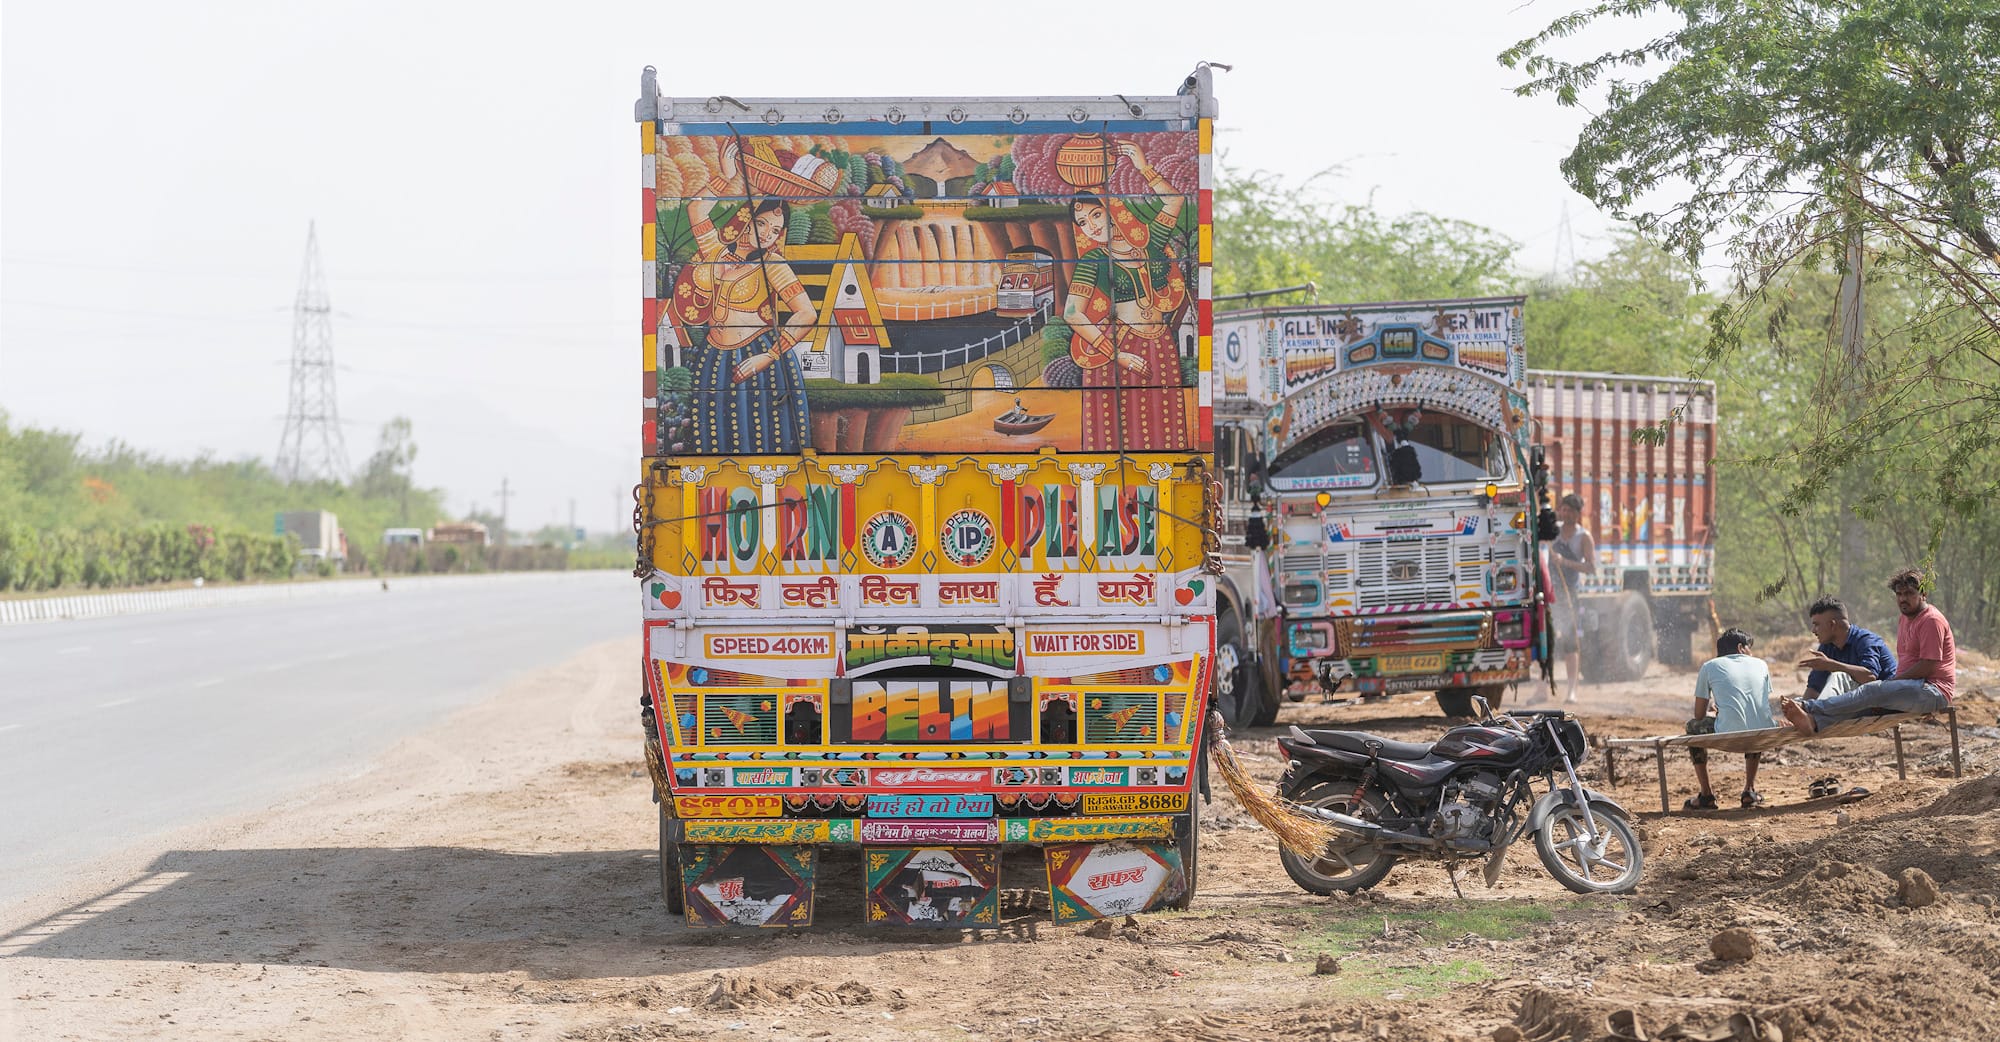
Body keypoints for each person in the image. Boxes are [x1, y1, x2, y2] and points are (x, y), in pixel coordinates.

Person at [669, 139, 818, 454]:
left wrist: (768, 357)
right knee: (715, 439)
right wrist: (726, 174)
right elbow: (696, 208)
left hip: (760, 359)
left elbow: (806, 313)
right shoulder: (715, 251)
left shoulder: (773, 265)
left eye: (775, 230)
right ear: (744, 219)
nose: (766, 233)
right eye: (761, 222)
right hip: (714, 360)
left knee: (764, 437)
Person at [1063, 139, 1190, 453]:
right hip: (1120, 349)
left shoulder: (1148, 242)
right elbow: (1072, 313)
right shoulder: (1093, 261)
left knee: (1162, 426)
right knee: (1120, 431)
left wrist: (1143, 167)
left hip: (1160, 344)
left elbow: (1175, 201)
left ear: (1112, 210)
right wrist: (1115, 353)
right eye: (1081, 222)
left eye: (1095, 215)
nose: (1089, 226)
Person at [1780, 569, 1954, 735]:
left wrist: (1890, 684)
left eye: (1909, 594)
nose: (1903, 599)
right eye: (1899, 594)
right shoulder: (1904, 619)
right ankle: (1812, 721)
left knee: (1870, 691)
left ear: (1923, 594)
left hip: (1932, 690)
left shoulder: (1931, 620)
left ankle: (1808, 707)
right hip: (1907, 690)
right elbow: (1814, 685)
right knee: (1860, 704)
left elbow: (1927, 667)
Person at [1683, 628, 1777, 810]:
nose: (1752, 653)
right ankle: (1749, 790)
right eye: (1750, 648)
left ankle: (1706, 794)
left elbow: (1699, 715)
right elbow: (1756, 704)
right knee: (1754, 720)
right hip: (1761, 733)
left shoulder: (1709, 666)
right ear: (1741, 648)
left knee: (1692, 726)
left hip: (1729, 733)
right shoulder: (1761, 664)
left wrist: (1716, 712)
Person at [1543, 493, 1596, 704]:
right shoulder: (1551, 531)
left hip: (1569, 593)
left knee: (1569, 641)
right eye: (1563, 509)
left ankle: (1572, 690)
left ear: (1577, 513)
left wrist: (1564, 561)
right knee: (1545, 639)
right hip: (1548, 592)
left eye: (1570, 510)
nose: (1565, 513)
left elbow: (1590, 567)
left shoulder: (1583, 537)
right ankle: (1542, 688)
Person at [1796, 595, 1897, 699]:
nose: (1813, 630)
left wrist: (1832, 665)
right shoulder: (1827, 646)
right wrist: (1802, 707)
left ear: (1832, 625)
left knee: (1838, 677)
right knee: (1798, 702)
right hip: (1856, 700)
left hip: (1883, 700)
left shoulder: (1865, 640)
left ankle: (1816, 711)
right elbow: (1814, 687)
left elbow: (1870, 677)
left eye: (1817, 625)